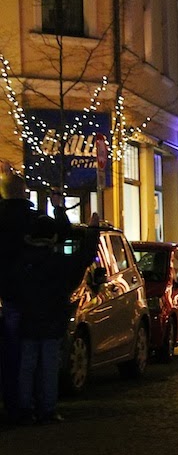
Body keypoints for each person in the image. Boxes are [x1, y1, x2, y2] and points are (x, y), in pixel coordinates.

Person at [15, 197, 99, 424]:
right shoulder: (58, 262)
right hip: (52, 319)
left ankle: (24, 408)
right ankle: (47, 408)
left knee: (27, 364)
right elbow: (84, 258)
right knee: (49, 365)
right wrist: (92, 231)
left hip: (27, 319)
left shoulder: (21, 262)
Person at [0, 164, 41, 423]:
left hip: (6, 294)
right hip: (29, 294)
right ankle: (26, 406)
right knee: (30, 354)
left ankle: (12, 403)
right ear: (23, 192)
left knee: (9, 354)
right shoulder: (31, 221)